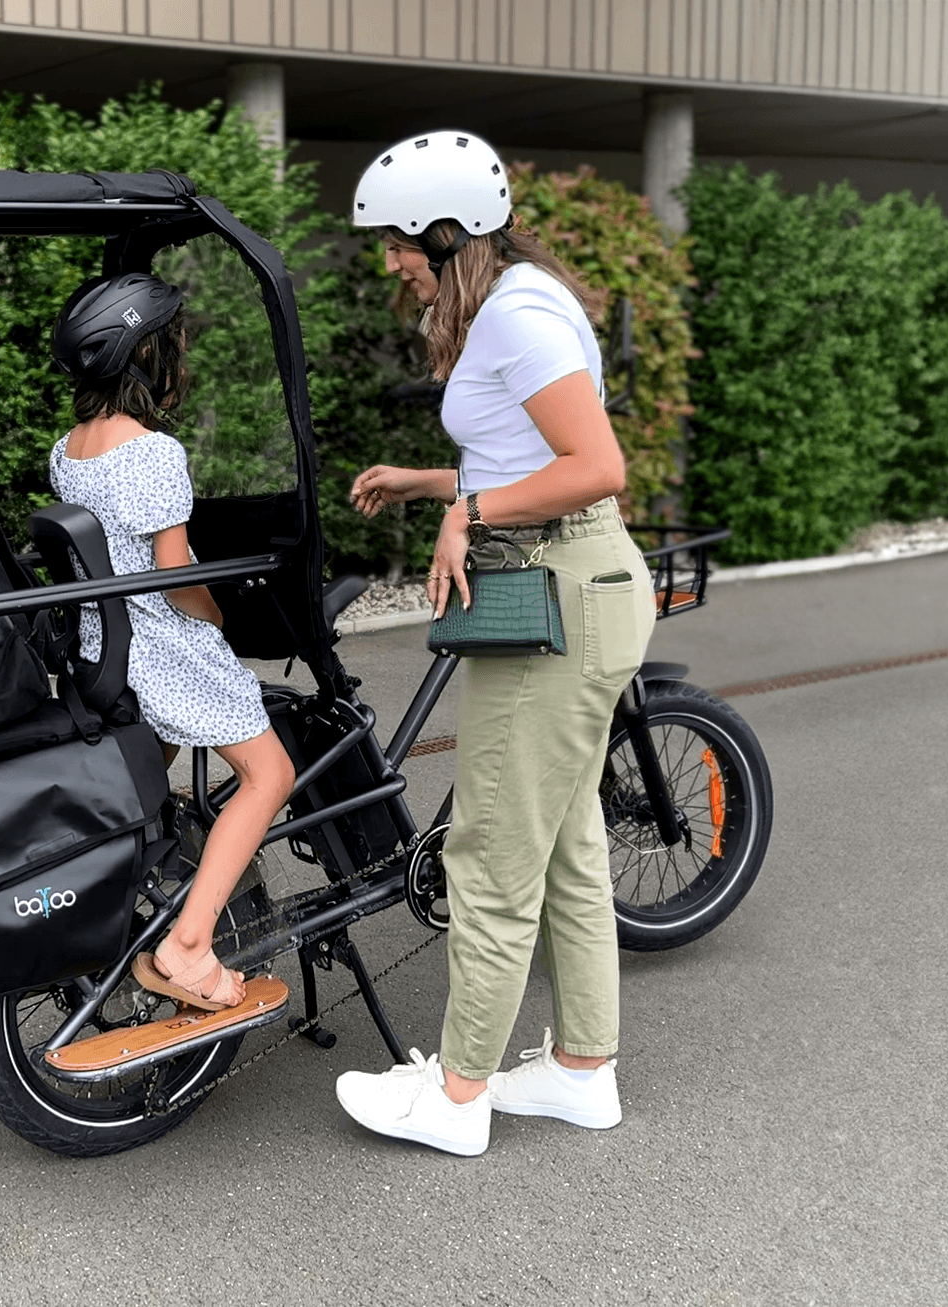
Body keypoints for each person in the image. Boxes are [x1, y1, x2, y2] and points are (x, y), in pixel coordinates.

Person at [333, 132, 657, 1156]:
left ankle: (458, 1094)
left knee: (491, 852)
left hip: (555, 589)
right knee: (566, 847)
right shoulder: (513, 304)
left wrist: (467, 516)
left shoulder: (515, 312)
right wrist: (434, 484)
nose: (390, 261)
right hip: (567, 579)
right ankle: (579, 1072)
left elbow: (597, 463)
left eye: (396, 243)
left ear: (445, 231)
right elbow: (521, 454)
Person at [47, 272, 296, 1011]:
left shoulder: (69, 449)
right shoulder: (153, 452)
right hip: (161, 648)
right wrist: (216, 614)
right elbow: (171, 577)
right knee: (267, 774)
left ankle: (124, 906)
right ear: (147, 357)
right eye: (172, 346)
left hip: (104, 648)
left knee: (148, 786)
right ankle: (188, 946)